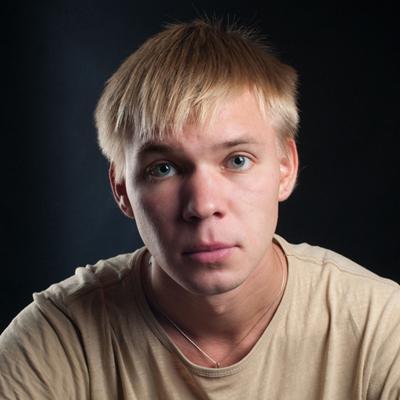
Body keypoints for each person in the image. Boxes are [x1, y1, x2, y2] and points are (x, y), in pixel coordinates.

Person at [1, 19, 399, 400]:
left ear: (285, 168)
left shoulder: (380, 326)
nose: (203, 206)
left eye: (237, 160)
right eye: (163, 168)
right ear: (122, 189)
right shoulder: (58, 337)